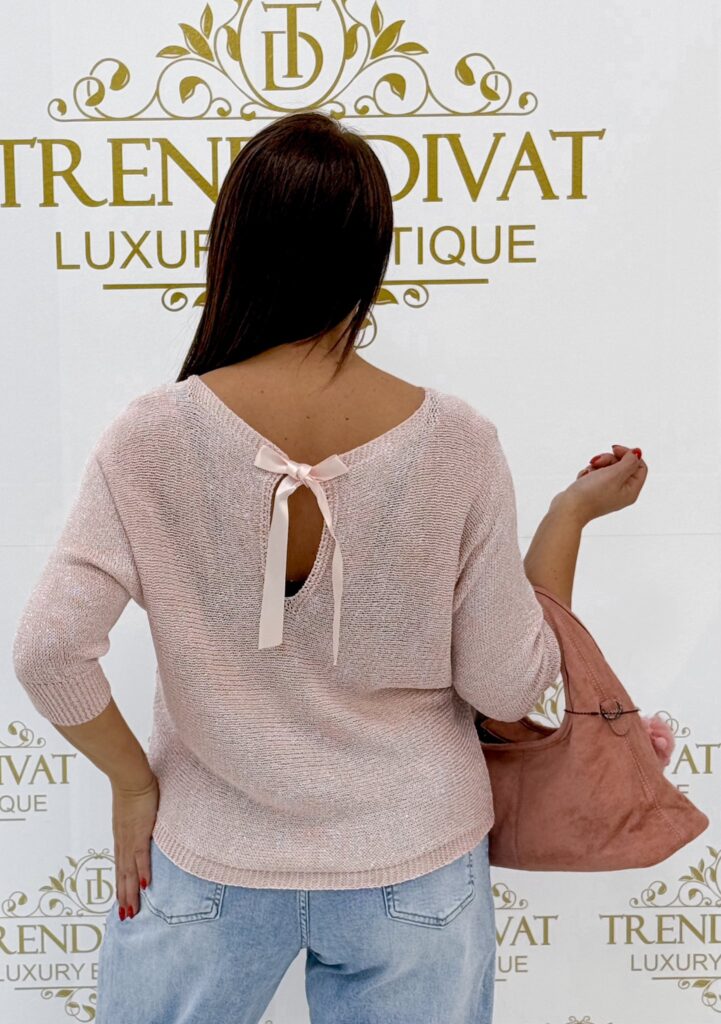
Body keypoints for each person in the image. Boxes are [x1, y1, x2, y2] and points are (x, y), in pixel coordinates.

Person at [11, 110, 647, 1024]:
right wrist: (568, 517)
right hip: (417, 864)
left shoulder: (151, 436)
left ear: (231, 248)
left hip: (208, 856)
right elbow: (507, 688)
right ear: (371, 257)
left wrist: (134, 783)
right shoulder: (456, 443)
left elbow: (47, 650)